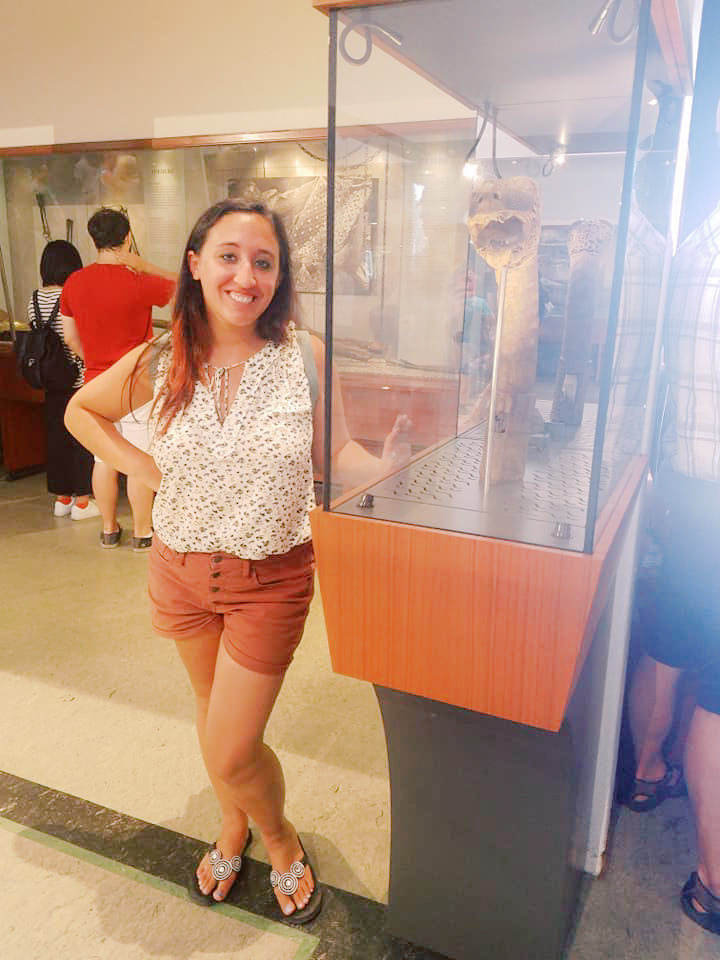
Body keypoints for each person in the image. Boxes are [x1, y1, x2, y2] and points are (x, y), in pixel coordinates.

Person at [65, 199, 410, 922]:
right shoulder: (164, 356)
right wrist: (145, 469)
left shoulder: (304, 357)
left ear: (279, 277)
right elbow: (82, 411)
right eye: (228, 255)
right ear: (194, 264)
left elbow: (334, 455)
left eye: (263, 261)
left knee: (231, 744)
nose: (244, 275)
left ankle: (278, 838)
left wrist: (385, 464)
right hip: (180, 571)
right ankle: (231, 823)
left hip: (269, 578)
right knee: (209, 710)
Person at [626, 195, 720, 936]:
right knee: (717, 688)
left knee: (670, 641)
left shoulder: (694, 244)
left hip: (686, 487)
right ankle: (715, 880)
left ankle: (647, 771)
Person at [60, 207, 176, 550]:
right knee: (139, 457)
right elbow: (185, 287)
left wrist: (96, 363)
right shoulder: (139, 282)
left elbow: (69, 337)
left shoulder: (74, 282)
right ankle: (143, 532)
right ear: (127, 237)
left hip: (95, 386)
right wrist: (143, 265)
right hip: (137, 384)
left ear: (93, 239)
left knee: (104, 458)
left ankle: (109, 529)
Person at [27, 240, 97, 519]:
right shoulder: (72, 294)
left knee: (56, 435)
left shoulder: (34, 298)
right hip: (75, 375)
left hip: (48, 376)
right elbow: (77, 335)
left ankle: (62, 498)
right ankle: (82, 500)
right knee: (81, 436)